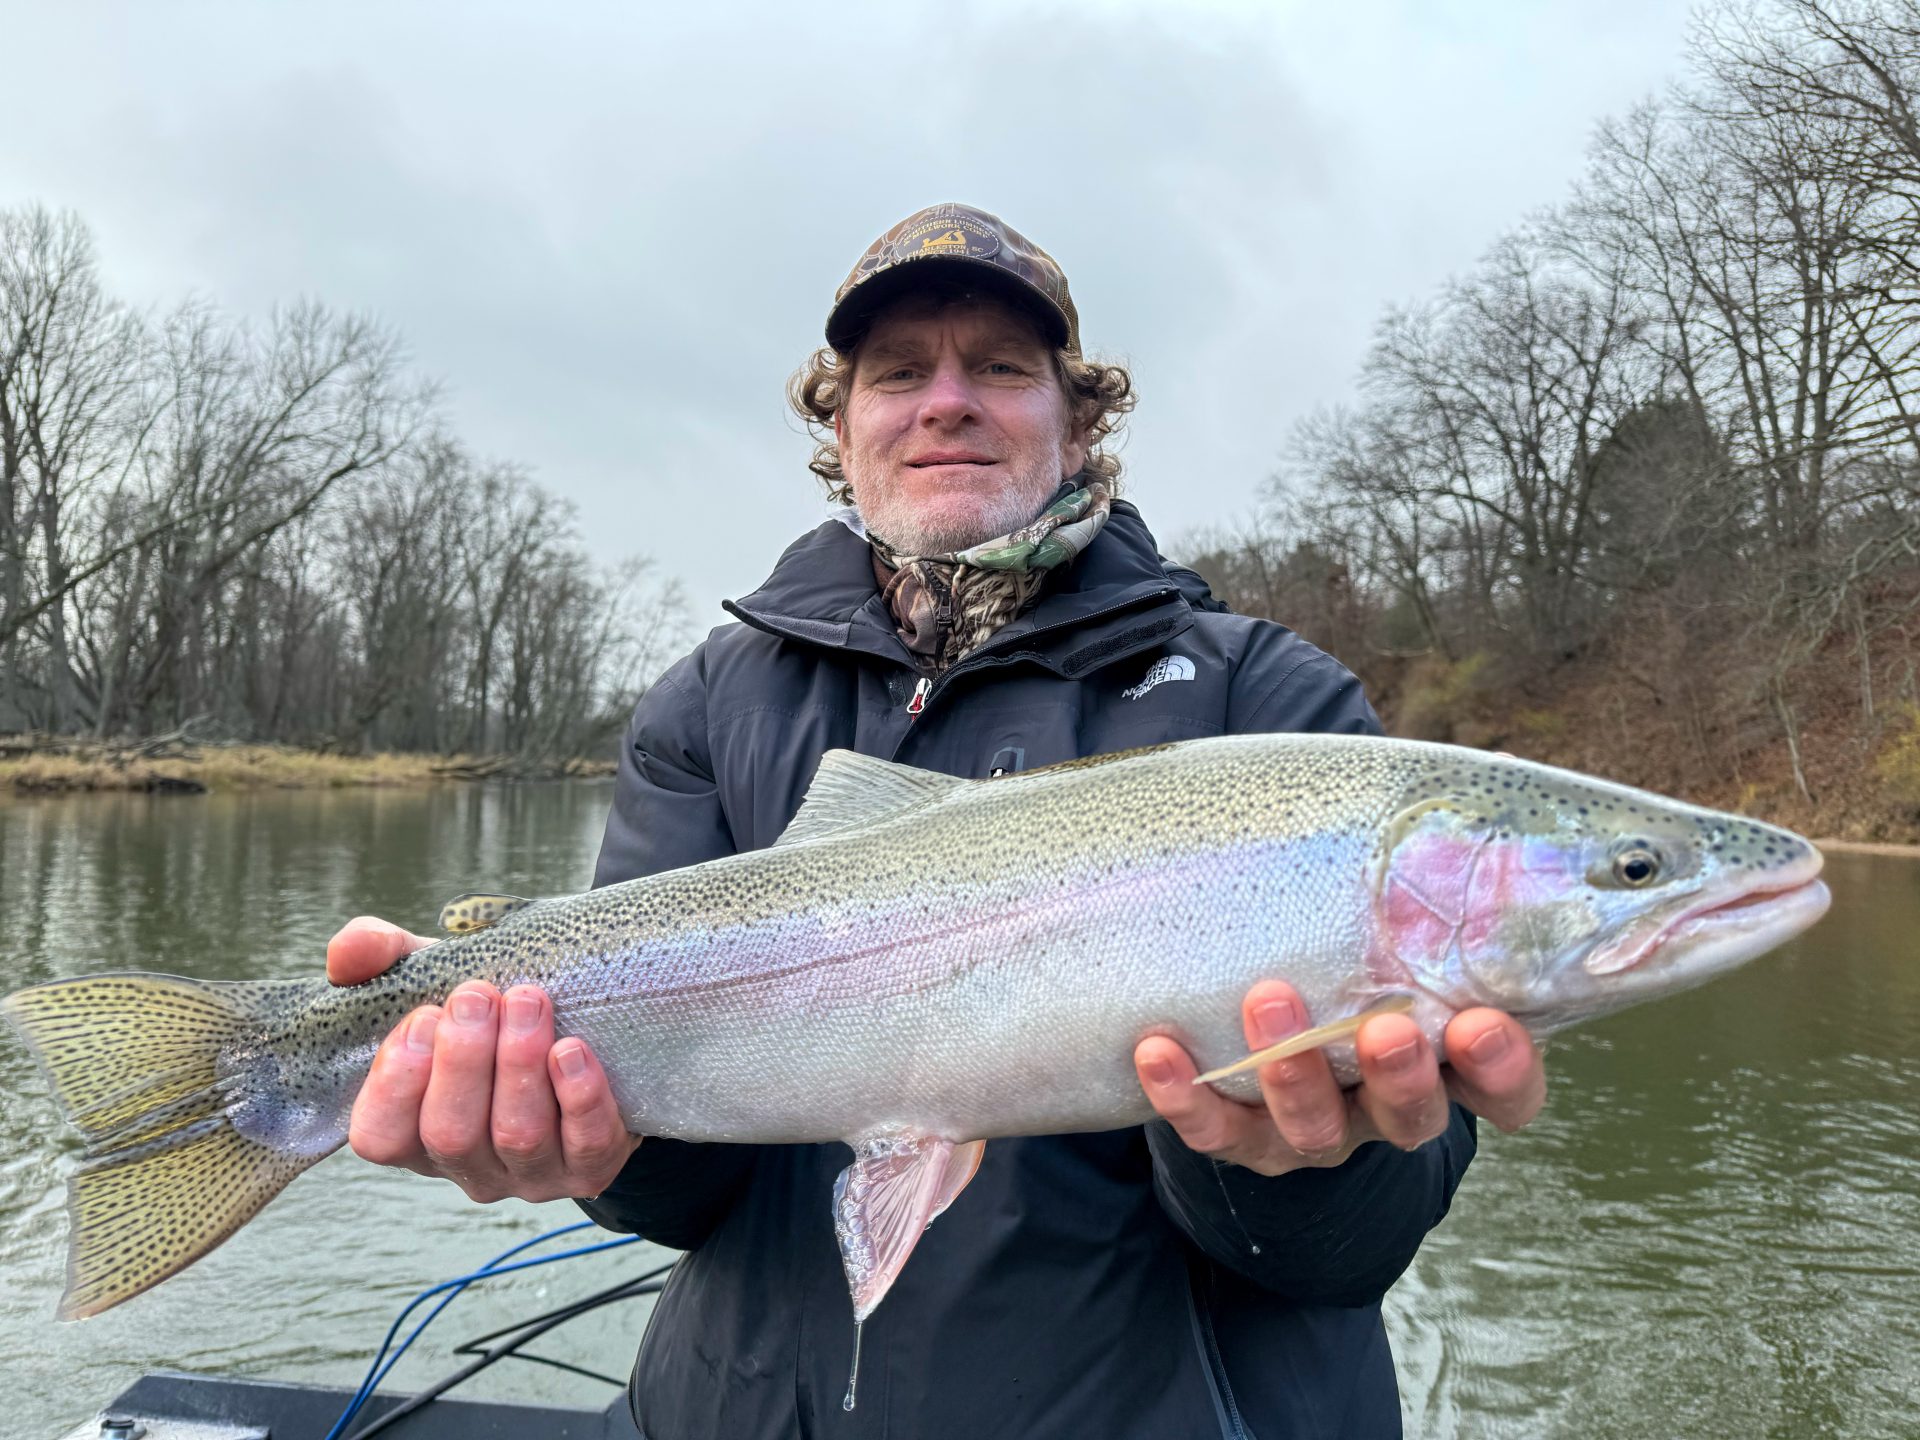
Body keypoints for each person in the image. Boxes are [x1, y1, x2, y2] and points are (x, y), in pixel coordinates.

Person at [329, 203, 1547, 1439]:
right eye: (899, 373)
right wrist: (582, 1140)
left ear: (1078, 424)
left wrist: (1292, 1166)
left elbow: (1352, 1250)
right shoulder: (710, 701)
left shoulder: (1265, 698)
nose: (946, 400)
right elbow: (682, 1194)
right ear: (842, 429)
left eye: (1002, 368)